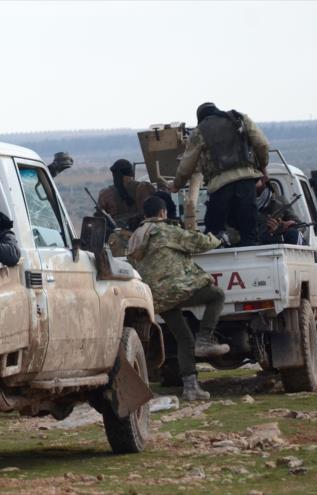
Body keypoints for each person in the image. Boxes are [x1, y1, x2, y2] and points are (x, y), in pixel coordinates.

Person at [127, 196, 228, 401]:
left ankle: (191, 388)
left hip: (154, 298)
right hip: (175, 290)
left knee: (183, 338)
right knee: (217, 295)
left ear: (145, 214)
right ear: (163, 213)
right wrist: (220, 239)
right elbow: (198, 243)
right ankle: (205, 339)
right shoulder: (166, 231)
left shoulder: (135, 237)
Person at [171, 102, 270, 247]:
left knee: (213, 235)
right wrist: (263, 166)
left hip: (220, 187)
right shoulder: (239, 118)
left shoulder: (199, 131)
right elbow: (262, 145)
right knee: (250, 233)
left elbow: (187, 165)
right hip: (246, 184)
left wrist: (176, 184)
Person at [97, 159, 156, 255]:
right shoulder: (145, 188)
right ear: (131, 172)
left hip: (118, 247)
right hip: (145, 241)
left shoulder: (105, 195)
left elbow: (99, 222)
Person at [256, 177, 304, 245]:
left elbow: (300, 227)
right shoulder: (241, 205)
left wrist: (281, 227)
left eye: (255, 180)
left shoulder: (280, 202)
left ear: (263, 180)